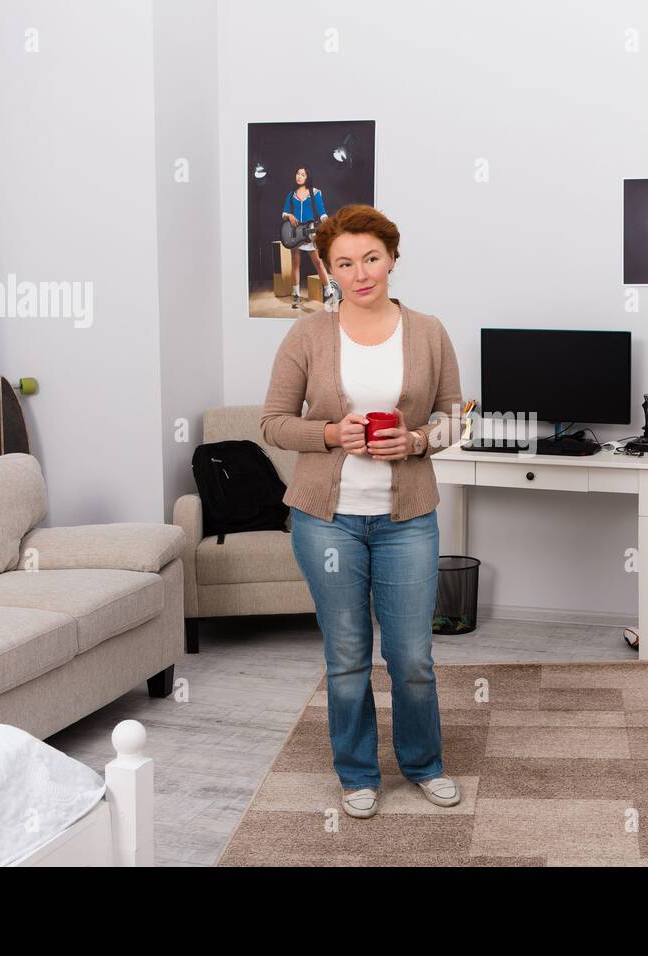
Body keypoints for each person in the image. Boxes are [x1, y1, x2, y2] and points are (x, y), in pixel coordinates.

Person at [260, 203, 464, 819]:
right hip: (328, 521)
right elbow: (272, 422)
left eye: (371, 258)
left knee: (412, 658)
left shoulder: (427, 330)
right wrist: (328, 434)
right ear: (327, 268)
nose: (361, 272)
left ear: (393, 258)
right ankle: (357, 773)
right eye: (344, 262)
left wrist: (418, 440)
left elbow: (454, 415)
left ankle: (423, 764)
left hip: (407, 520)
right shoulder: (306, 335)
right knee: (347, 657)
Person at [282, 167, 340, 308]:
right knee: (295, 264)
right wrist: (289, 216)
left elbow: (321, 212)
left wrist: (327, 221)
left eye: (302, 174)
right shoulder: (291, 195)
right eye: (297, 173)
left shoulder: (315, 193)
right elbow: (284, 214)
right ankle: (295, 296)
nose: (299, 176)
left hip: (310, 233)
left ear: (307, 177)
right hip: (294, 233)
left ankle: (329, 292)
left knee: (318, 263)